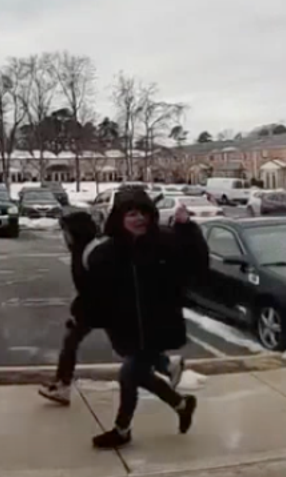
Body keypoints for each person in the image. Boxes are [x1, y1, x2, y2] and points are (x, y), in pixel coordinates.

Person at [82, 187, 208, 449]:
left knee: (130, 374)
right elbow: (96, 288)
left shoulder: (166, 241)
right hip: (126, 328)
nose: (139, 219)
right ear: (119, 218)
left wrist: (188, 229)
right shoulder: (109, 251)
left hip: (157, 327)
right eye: (131, 213)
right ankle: (181, 404)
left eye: (144, 213)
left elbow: (197, 264)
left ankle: (122, 429)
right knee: (139, 374)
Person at [39, 208, 182, 406]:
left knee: (130, 359)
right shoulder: (83, 250)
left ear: (76, 232)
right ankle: (170, 378)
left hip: (106, 310)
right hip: (101, 310)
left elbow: (99, 288)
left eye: (66, 232)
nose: (64, 237)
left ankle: (168, 372)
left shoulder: (93, 252)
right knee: (129, 356)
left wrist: (81, 314)